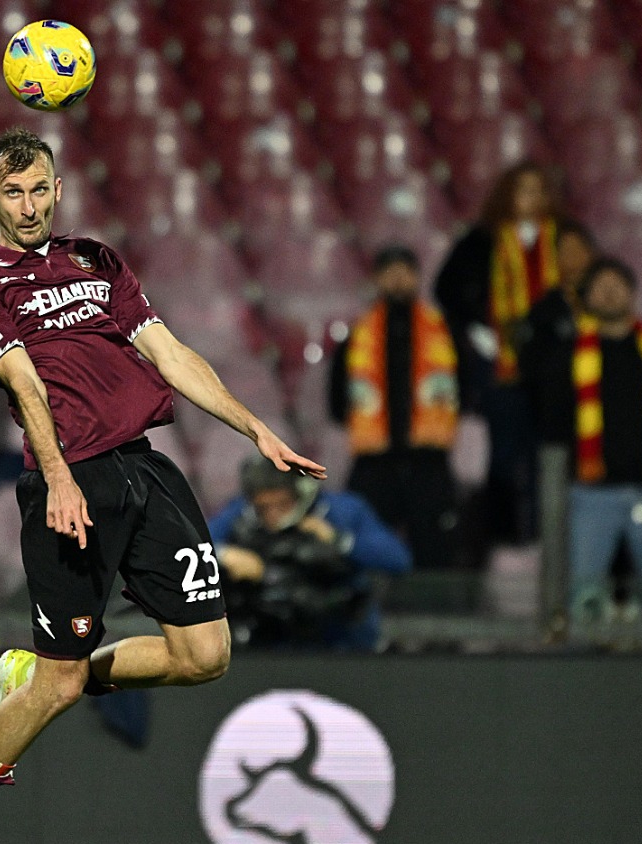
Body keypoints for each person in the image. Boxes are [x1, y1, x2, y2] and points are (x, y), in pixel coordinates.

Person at [0, 126, 323, 844]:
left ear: (58, 188)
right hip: (70, 487)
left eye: (40, 190)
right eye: (13, 193)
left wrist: (257, 426)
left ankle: (36, 671)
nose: (29, 206)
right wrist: (62, 477)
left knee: (206, 655)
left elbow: (168, 352)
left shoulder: (95, 260)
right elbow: (27, 385)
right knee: (60, 690)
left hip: (145, 466)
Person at [533, 258, 642, 621]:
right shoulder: (568, 353)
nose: (609, 291)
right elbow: (553, 418)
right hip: (591, 493)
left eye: (617, 283)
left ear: (632, 293)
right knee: (583, 596)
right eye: (599, 286)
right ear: (587, 299)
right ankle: (580, 674)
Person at [435, 162, 565, 543]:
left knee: (549, 454)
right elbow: (447, 289)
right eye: (523, 189)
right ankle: (503, 537)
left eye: (538, 189)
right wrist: (476, 330)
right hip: (500, 366)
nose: (531, 198)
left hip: (552, 368)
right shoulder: (481, 240)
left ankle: (549, 538)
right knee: (505, 453)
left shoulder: (562, 239)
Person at [327, 245, 466, 569]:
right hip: (375, 462)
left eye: (405, 270)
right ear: (376, 279)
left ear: (418, 277)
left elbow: (467, 390)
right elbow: (337, 402)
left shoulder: (446, 332)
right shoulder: (357, 336)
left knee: (435, 548)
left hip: (429, 461)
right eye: (389, 271)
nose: (397, 278)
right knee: (363, 545)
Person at [209, 456, 413, 650]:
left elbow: (398, 559)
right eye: (264, 507)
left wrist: (339, 540)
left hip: (343, 637)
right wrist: (224, 553)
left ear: (301, 492)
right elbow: (196, 544)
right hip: (272, 635)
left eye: (282, 504)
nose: (273, 514)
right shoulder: (241, 513)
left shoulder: (342, 510)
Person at [514, 220, 597, 390]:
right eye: (566, 250)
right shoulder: (543, 311)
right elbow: (531, 366)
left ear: (591, 253)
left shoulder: (607, 303)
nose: (573, 256)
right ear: (555, 258)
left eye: (578, 248)